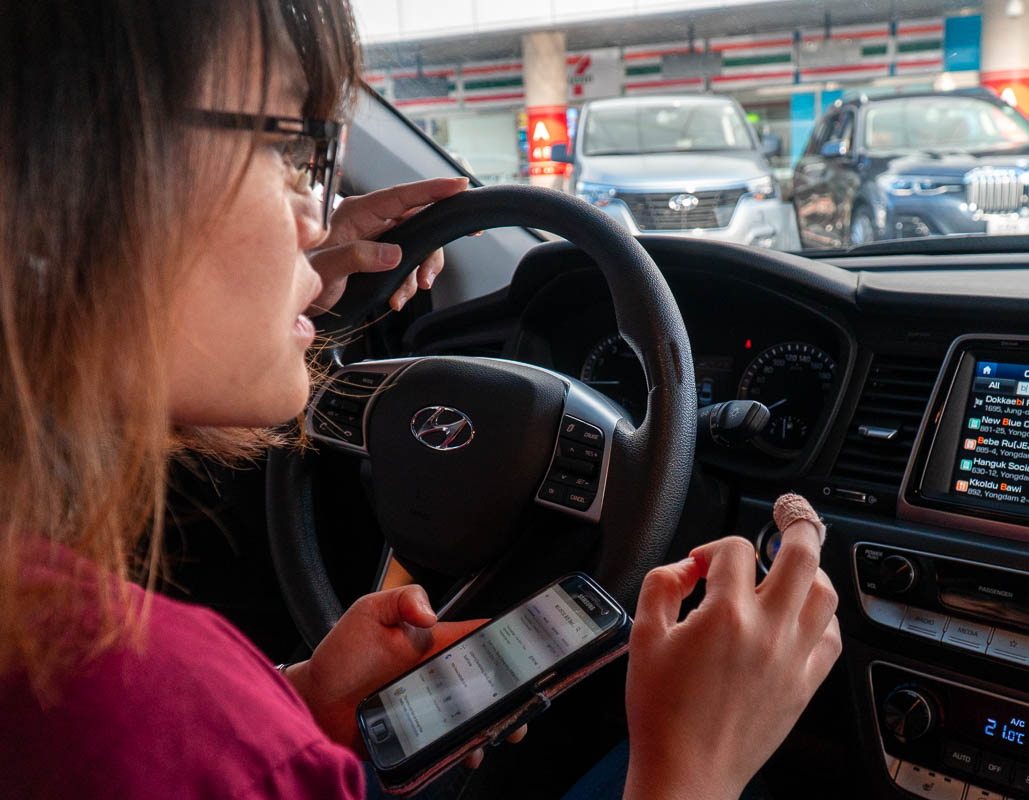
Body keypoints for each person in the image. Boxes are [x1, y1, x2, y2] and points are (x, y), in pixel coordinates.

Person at [0, 1, 842, 798]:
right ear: (71, 190)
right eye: (294, 156)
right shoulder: (154, 709)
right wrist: (692, 764)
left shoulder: (96, 670)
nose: (320, 220)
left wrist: (304, 705)